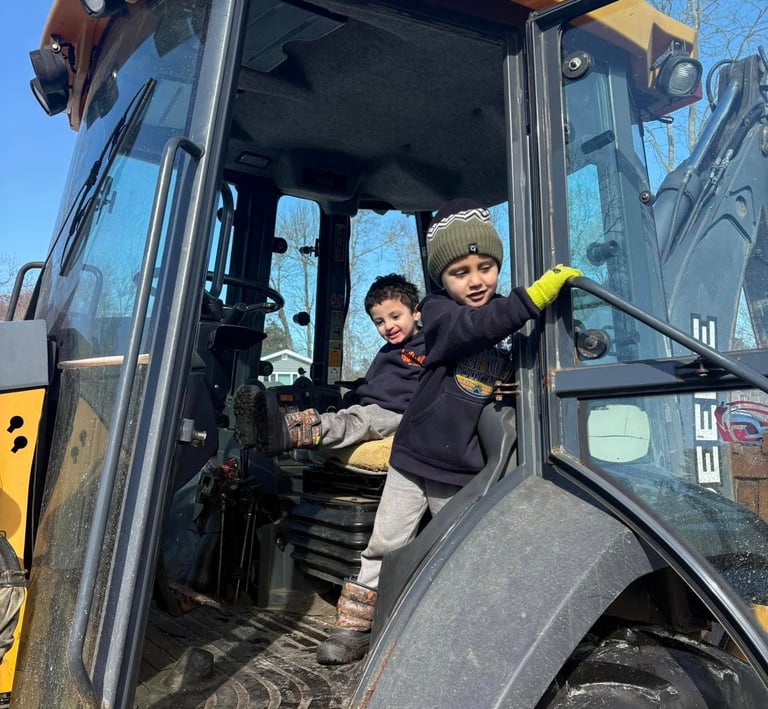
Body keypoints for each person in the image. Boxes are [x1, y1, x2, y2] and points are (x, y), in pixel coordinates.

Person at [315, 198, 582, 665]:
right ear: (442, 279)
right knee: (385, 541)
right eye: (460, 271)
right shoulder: (438, 313)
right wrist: (532, 298)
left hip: (459, 467)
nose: (476, 280)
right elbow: (471, 330)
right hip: (413, 455)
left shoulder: (508, 317)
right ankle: (355, 625)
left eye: (486, 267)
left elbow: (515, 342)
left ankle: (449, 625)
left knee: (454, 547)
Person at [233, 273, 425, 456]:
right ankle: (263, 426)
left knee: (356, 422)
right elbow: (372, 382)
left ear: (416, 312)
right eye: (379, 322)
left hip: (401, 414)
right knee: (345, 417)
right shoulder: (387, 351)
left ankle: (286, 430)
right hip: (374, 408)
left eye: (395, 317)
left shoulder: (429, 344)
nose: (388, 326)